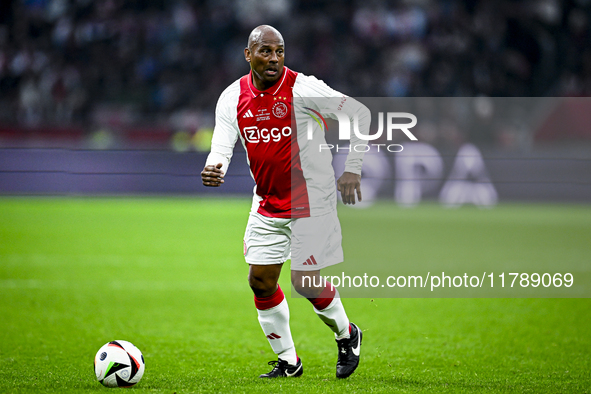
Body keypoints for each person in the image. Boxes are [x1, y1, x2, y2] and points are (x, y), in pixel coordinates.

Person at [201, 25, 370, 379]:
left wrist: (352, 168)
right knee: (261, 281)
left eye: (279, 52)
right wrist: (213, 167)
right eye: (265, 51)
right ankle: (289, 362)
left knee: (303, 280)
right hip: (266, 202)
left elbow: (358, 113)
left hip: (312, 197)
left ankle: (347, 334)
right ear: (248, 55)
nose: (274, 59)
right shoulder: (232, 98)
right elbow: (222, 146)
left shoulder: (302, 88)